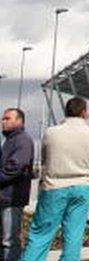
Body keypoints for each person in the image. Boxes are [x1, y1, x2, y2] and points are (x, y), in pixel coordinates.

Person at [22, 97, 89, 261]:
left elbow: (45, 159)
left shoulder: (51, 132)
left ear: (66, 111)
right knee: (74, 236)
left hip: (55, 186)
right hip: (82, 186)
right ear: (84, 112)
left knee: (41, 234)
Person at [0, 108, 34, 261]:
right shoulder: (9, 140)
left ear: (19, 121)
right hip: (5, 197)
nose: (3, 121)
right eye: (3, 118)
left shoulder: (22, 140)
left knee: (10, 241)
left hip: (12, 198)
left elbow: (15, 166)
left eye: (7, 118)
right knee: (6, 240)